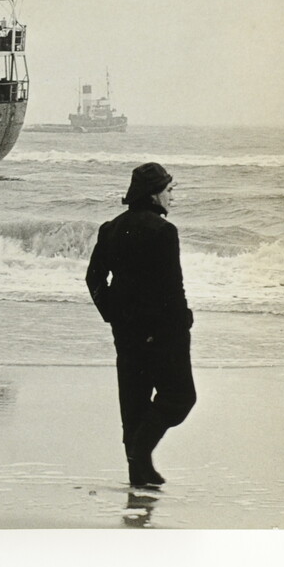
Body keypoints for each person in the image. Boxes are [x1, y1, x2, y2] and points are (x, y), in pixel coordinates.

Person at [85, 162, 196, 489]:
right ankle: (140, 451)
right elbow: (172, 288)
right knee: (179, 397)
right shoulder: (164, 232)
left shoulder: (111, 228)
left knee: (133, 403)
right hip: (162, 333)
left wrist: (113, 314)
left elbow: (93, 279)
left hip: (126, 333)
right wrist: (183, 323)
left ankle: (138, 474)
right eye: (169, 190)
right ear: (154, 194)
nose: (173, 197)